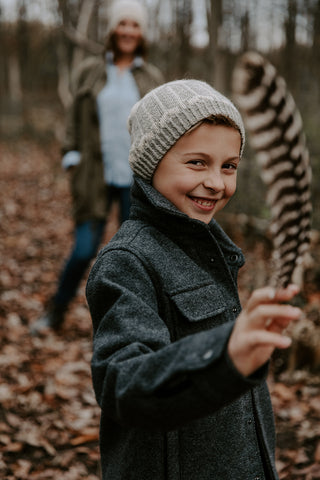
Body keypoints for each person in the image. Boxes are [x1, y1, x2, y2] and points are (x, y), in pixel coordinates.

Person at [86, 79, 302, 479]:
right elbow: (124, 385)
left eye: (229, 166)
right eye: (197, 162)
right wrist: (224, 352)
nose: (217, 183)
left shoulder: (213, 249)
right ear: (152, 163)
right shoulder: (127, 261)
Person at [31, 0, 164, 334]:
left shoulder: (152, 78)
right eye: (123, 24)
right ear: (113, 30)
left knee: (132, 256)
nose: (128, 31)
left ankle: (130, 325)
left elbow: (162, 129)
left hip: (135, 179)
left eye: (135, 25)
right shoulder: (90, 71)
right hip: (93, 176)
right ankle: (55, 312)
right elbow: (74, 118)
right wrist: (70, 155)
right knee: (84, 250)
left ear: (141, 33)